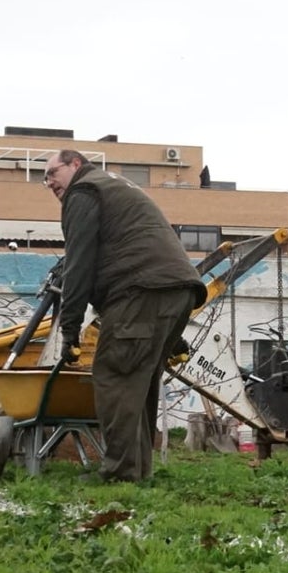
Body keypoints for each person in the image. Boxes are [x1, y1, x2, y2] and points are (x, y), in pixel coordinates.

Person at [44, 149, 206, 483]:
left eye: (51, 173)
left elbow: (79, 262)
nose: (48, 183)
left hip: (141, 290)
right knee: (139, 382)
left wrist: (70, 329)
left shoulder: (83, 190)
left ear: (75, 165)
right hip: (178, 288)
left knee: (114, 374)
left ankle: (120, 473)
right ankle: (137, 472)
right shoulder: (114, 185)